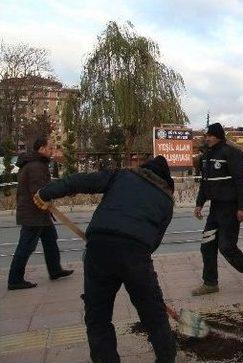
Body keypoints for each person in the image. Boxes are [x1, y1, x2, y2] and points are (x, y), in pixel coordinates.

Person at [33, 156, 177, 363]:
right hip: (135, 255)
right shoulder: (166, 200)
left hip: (99, 248)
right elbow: (154, 241)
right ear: (166, 181)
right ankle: (166, 358)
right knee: (153, 313)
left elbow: (80, 181)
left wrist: (46, 193)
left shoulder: (122, 176)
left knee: (97, 315)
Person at [192, 123, 243, 296]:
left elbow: (241, 181)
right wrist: (199, 203)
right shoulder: (206, 156)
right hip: (215, 209)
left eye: (209, 135)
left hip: (230, 208)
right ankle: (210, 283)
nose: (206, 138)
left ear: (217, 136)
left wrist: (242, 208)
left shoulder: (231, 153)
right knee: (207, 245)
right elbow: (205, 182)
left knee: (226, 246)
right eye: (206, 135)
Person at [7, 137, 73, 290]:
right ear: (42, 149)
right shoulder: (37, 166)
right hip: (34, 213)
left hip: (39, 212)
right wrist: (63, 190)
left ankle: (55, 270)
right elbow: (41, 191)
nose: (52, 151)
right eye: (50, 148)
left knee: (50, 240)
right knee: (26, 246)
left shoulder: (36, 163)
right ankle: (15, 279)